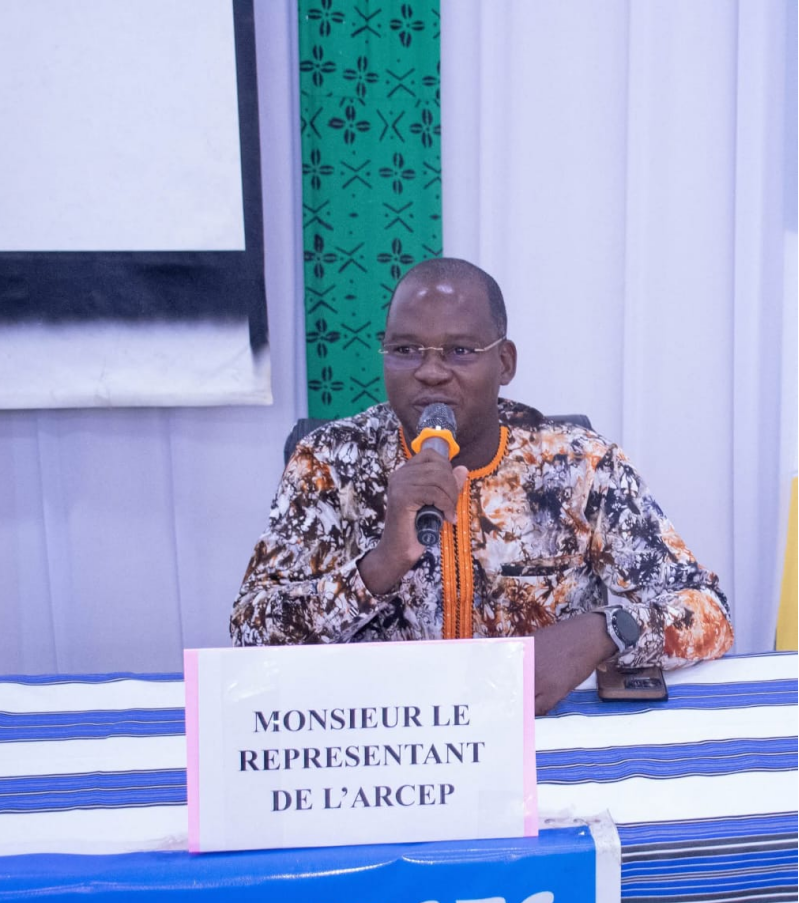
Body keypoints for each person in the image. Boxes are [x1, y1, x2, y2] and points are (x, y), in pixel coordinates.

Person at [230, 258, 734, 713]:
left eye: (460, 351)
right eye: (405, 350)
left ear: (505, 362)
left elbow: (708, 612)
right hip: (378, 736)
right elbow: (250, 632)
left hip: (537, 733)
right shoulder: (330, 461)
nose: (430, 372)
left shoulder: (579, 464)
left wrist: (603, 631)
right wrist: (379, 566)